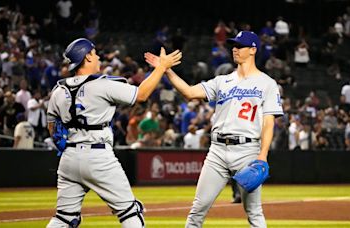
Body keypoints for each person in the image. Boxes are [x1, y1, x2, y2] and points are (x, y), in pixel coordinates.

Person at [145, 31, 283, 228]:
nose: (235, 49)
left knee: (254, 212)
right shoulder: (222, 81)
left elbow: (269, 123)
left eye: (240, 45)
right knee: (197, 209)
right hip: (217, 151)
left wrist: (263, 155)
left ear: (253, 50)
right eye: (233, 45)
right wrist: (165, 70)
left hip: (247, 151)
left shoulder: (267, 84)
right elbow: (190, 92)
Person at [46, 38, 181, 228]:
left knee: (64, 218)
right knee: (130, 211)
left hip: (69, 158)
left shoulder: (58, 90)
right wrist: (161, 68)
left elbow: (53, 129)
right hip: (98, 155)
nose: (99, 56)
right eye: (94, 53)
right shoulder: (103, 85)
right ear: (87, 57)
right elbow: (141, 95)